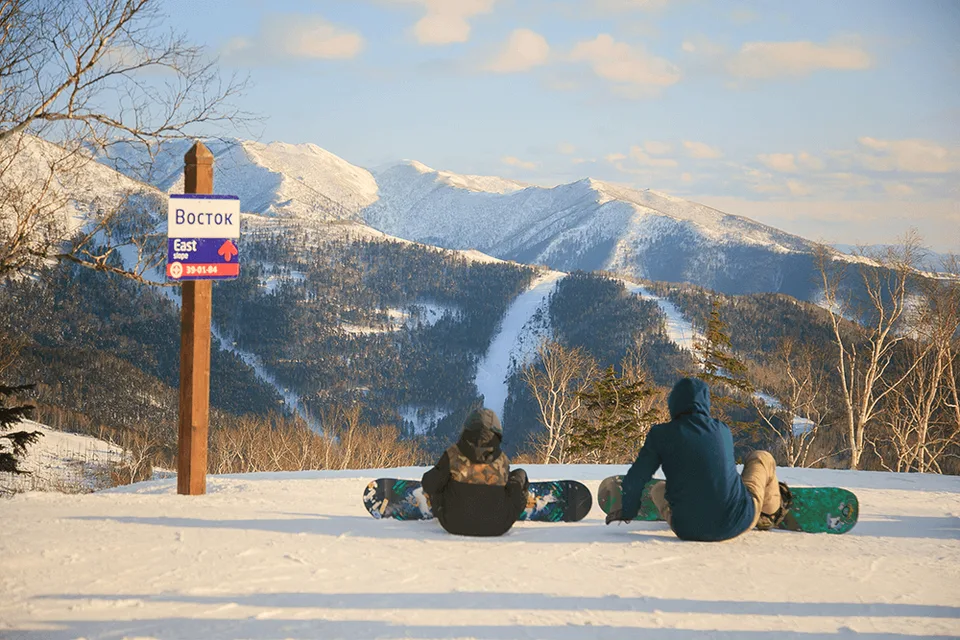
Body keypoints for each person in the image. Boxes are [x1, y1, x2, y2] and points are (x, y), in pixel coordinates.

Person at [605, 377, 788, 541]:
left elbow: (637, 478)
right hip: (738, 521)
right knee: (761, 457)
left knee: (657, 489)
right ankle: (769, 513)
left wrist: (628, 511)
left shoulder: (660, 434)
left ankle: (684, 507)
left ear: (673, 403)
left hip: (687, 530)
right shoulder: (722, 430)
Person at [421, 408, 529, 537]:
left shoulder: (452, 455)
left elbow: (429, 484)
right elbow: (508, 487)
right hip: (498, 526)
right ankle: (521, 500)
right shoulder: (502, 459)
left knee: (441, 480)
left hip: (453, 524)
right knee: (519, 474)